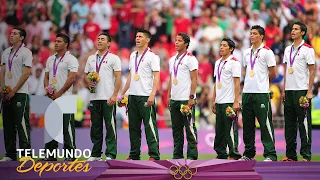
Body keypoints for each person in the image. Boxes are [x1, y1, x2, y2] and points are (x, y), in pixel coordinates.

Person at [121, 29, 160, 160]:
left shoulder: (152, 56)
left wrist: (152, 95)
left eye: (140, 37)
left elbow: (156, 77)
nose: (137, 39)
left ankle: (154, 155)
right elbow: (131, 76)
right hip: (132, 96)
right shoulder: (132, 55)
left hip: (145, 95)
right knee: (133, 127)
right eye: (136, 36)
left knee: (149, 126)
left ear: (147, 40)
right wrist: (123, 93)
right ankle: (134, 155)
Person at [240, 25, 277, 161]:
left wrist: (265, 85)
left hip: (261, 93)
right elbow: (246, 71)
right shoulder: (245, 52)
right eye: (251, 33)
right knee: (247, 125)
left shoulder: (267, 52)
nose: (252, 35)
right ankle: (249, 154)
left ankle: (270, 154)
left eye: (255, 33)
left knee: (265, 124)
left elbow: (273, 72)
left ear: (261, 36)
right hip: (247, 93)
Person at [42, 33, 79, 161]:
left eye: (59, 41)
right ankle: (50, 155)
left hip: (66, 97)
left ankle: (70, 156)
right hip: (51, 97)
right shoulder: (50, 59)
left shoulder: (71, 59)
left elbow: (72, 77)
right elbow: (46, 76)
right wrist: (47, 89)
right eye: (55, 41)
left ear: (66, 44)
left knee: (67, 127)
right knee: (51, 127)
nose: (56, 43)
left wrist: (60, 92)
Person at [282, 21, 315, 162]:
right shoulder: (287, 50)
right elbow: (286, 71)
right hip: (289, 91)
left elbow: (312, 70)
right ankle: (290, 155)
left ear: (302, 33)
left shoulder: (308, 49)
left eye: (296, 29)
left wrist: (309, 91)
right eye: (292, 29)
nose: (293, 31)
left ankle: (306, 155)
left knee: (304, 124)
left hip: (302, 90)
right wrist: (284, 90)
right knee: (289, 125)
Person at [84, 33, 121, 161]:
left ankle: (110, 154)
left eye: (102, 39)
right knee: (95, 127)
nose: (99, 41)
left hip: (108, 97)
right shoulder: (91, 58)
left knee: (110, 126)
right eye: (98, 39)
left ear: (109, 43)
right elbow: (86, 75)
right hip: (94, 97)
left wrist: (115, 95)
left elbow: (118, 77)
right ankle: (96, 153)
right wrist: (88, 81)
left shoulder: (114, 58)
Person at [0, 27, 32, 161]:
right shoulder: (6, 52)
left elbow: (26, 74)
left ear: (21, 37)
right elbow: (2, 71)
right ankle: (10, 154)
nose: (11, 35)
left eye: (15, 34)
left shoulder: (26, 52)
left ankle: (26, 155)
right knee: (7, 124)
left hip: (20, 93)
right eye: (11, 33)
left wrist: (14, 90)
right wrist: (2, 88)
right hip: (6, 93)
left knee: (21, 124)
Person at [167, 33, 198, 160]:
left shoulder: (191, 59)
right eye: (175, 40)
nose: (176, 42)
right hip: (174, 99)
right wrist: (169, 95)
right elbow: (171, 78)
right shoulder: (172, 59)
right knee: (176, 130)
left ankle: (192, 156)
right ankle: (177, 155)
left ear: (186, 43)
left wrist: (191, 97)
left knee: (189, 129)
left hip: (186, 99)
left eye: (179, 40)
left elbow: (194, 78)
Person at [211, 37, 242, 160]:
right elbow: (216, 83)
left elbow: (237, 83)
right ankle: (221, 153)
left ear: (231, 48)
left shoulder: (234, 62)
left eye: (224, 45)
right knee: (219, 130)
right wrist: (213, 100)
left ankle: (234, 154)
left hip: (229, 101)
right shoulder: (217, 62)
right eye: (221, 45)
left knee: (230, 129)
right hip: (219, 101)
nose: (221, 47)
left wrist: (236, 101)